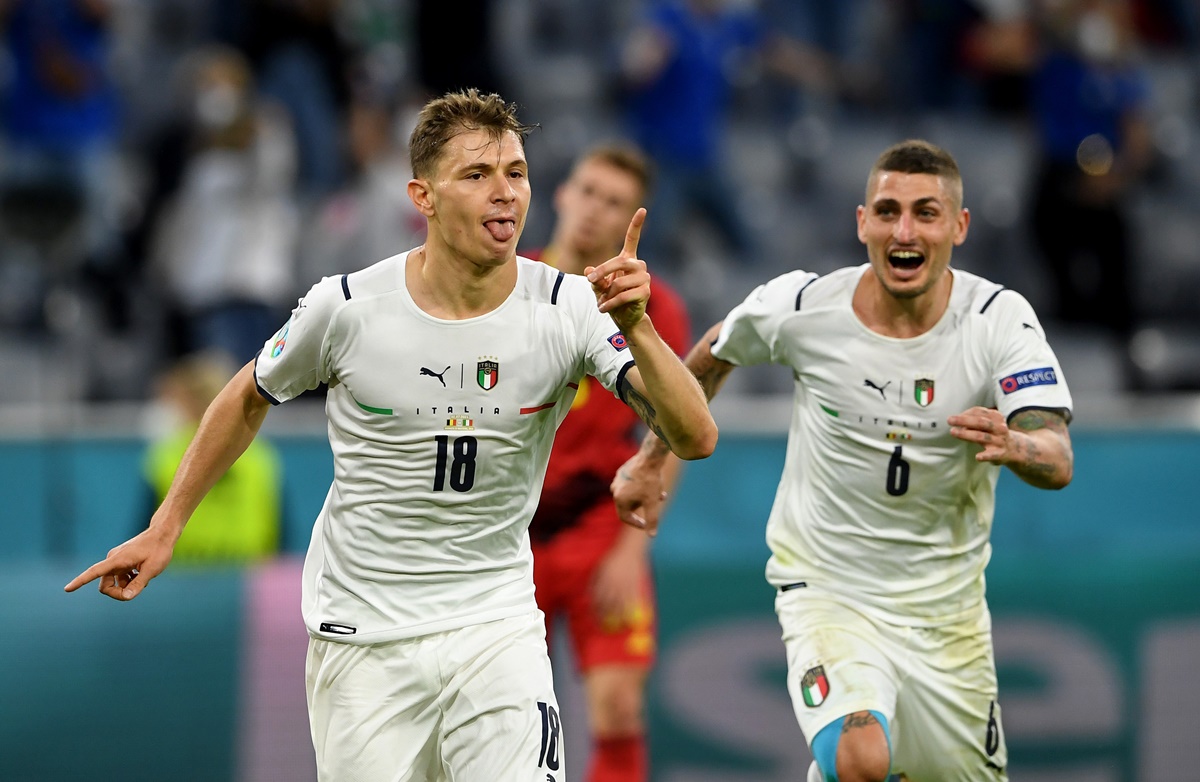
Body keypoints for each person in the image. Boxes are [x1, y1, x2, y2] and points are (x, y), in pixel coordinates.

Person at [64, 88, 717, 782]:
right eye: (476, 175)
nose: (505, 194)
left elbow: (695, 434)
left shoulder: (568, 306)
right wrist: (166, 527)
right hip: (365, 635)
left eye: (516, 173)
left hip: (494, 625)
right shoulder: (345, 308)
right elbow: (245, 396)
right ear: (423, 196)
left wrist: (639, 326)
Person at [612, 139, 1074, 781]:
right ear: (862, 223)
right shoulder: (805, 307)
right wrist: (651, 459)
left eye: (926, 213)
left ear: (959, 227)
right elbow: (718, 348)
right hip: (828, 589)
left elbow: (1055, 453)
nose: (904, 230)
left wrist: (1017, 444)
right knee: (861, 757)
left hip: (946, 615)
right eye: (887, 211)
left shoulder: (999, 321)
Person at [523, 143, 691, 782]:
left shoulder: (652, 309)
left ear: (632, 222)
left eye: (614, 202)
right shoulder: (511, 284)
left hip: (598, 530)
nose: (595, 211)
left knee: (618, 708)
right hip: (510, 538)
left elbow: (676, 430)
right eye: (588, 192)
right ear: (562, 194)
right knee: (506, 722)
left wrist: (630, 549)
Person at [141, 351, 282, 562]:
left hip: (185, 580)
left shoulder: (165, 456)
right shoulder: (261, 457)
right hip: (245, 580)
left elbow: (144, 536)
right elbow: (278, 536)